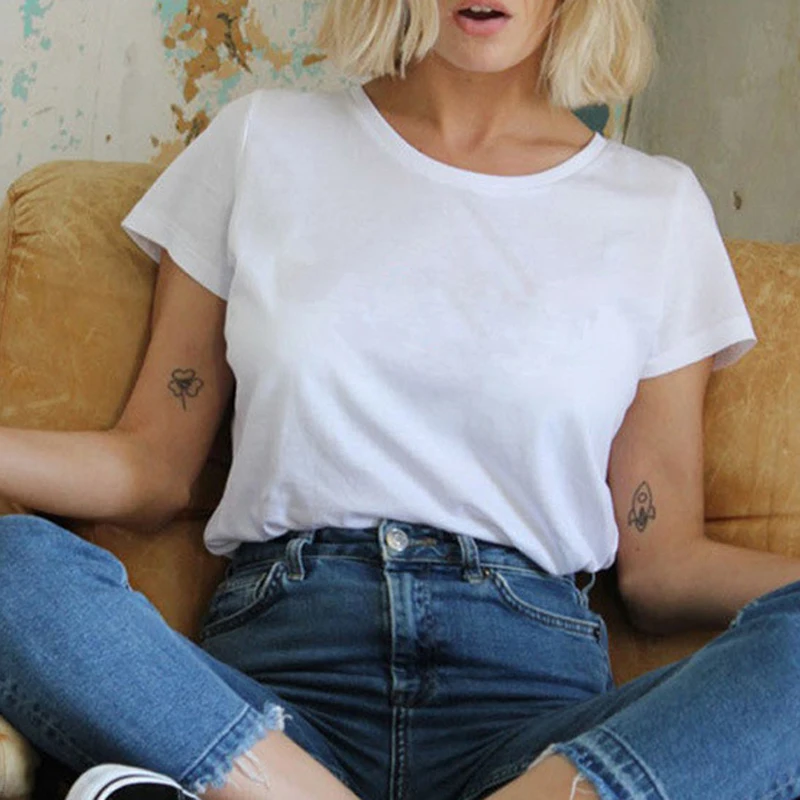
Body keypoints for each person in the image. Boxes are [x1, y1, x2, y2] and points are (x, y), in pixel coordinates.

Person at [1, 1, 799, 799]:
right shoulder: (260, 141)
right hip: (276, 704)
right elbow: (152, 466)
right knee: (14, 565)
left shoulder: (657, 208)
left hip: (537, 731)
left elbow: (664, 566)